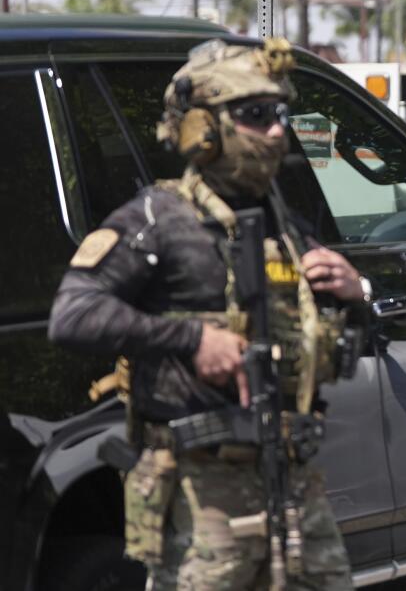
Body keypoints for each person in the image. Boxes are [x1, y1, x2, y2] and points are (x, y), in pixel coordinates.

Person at [48, 39, 366, 589]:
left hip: (291, 482)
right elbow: (73, 316)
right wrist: (193, 340)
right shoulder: (159, 218)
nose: (274, 131)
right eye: (255, 115)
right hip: (202, 493)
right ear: (203, 127)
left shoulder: (285, 224)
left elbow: (343, 342)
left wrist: (356, 292)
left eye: (279, 115)